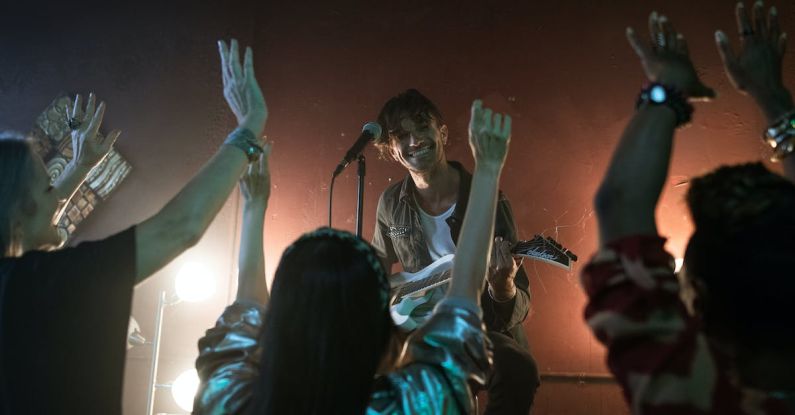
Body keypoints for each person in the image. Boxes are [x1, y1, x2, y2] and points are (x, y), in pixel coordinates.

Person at [192, 99, 513, 414]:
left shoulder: (229, 398)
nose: (413, 140)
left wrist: (254, 205)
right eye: (401, 135)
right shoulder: (412, 401)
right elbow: (463, 297)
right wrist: (488, 168)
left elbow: (243, 316)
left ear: (278, 320)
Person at [0, 39, 268, 414]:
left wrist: (78, 167)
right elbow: (180, 226)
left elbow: (31, 217)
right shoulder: (45, 283)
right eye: (48, 187)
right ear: (18, 214)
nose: (59, 200)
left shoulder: (18, 281)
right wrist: (249, 126)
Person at [583, 3, 795, 413]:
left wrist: (667, 87)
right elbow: (621, 204)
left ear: (696, 300)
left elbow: (619, 201)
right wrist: (774, 97)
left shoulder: (682, 388)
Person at [371, 89, 539, 413]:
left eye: (422, 128)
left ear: (443, 133)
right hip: (416, 331)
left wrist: (502, 285)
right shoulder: (390, 203)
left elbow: (519, 306)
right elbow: (377, 272)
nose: (415, 141)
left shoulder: (488, 196)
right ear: (392, 150)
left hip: (478, 328)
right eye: (402, 136)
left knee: (516, 367)